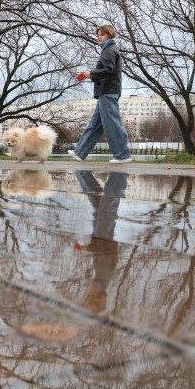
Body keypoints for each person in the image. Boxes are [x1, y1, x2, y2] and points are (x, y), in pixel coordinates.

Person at [69, 25, 132, 163]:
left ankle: (123, 155)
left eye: (102, 35)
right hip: (106, 91)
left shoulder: (109, 50)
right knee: (95, 125)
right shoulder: (109, 49)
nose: (98, 37)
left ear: (109, 35)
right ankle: (80, 152)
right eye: (98, 34)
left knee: (113, 124)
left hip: (108, 91)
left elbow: (108, 69)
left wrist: (91, 74)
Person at [74, 170, 128, 313]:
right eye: (88, 298)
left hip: (101, 234)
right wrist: (87, 248)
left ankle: (82, 173)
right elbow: (105, 250)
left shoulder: (101, 280)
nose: (87, 294)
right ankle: (120, 175)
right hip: (104, 234)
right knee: (108, 207)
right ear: (93, 296)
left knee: (97, 200)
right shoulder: (101, 280)